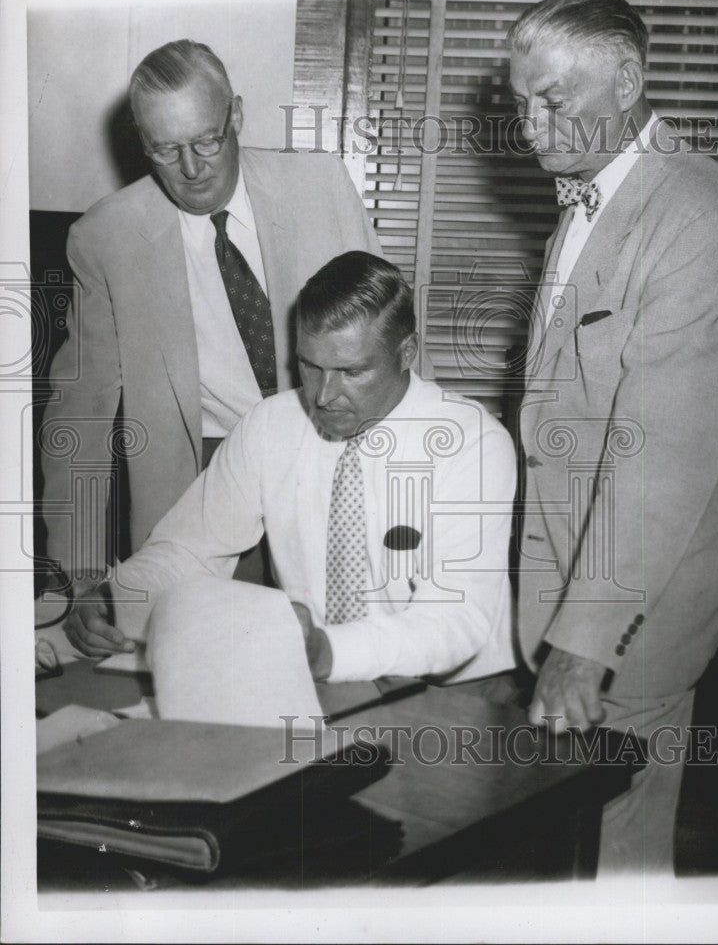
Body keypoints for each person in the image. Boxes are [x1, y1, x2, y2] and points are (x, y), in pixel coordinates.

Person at [507, 0, 718, 871]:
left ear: (628, 80)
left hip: (633, 607)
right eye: (519, 103)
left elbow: (663, 457)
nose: (528, 128)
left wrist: (581, 643)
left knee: (614, 857)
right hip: (573, 577)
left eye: (551, 103)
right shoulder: (595, 189)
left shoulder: (694, 214)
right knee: (579, 851)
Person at [63, 251, 516, 685]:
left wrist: (330, 651)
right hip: (315, 674)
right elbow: (189, 549)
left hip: (448, 689)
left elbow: (457, 616)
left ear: (407, 351)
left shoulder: (473, 443)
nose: (323, 394)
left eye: (351, 371)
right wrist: (116, 597)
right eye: (309, 366)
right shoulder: (271, 423)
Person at [40, 39, 380, 586]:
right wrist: (76, 565)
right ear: (142, 143)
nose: (192, 169)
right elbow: (82, 409)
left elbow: (394, 342)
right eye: (165, 150)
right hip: (204, 480)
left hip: (336, 458)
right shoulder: (106, 238)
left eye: (207, 141)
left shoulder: (323, 188)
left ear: (237, 115)